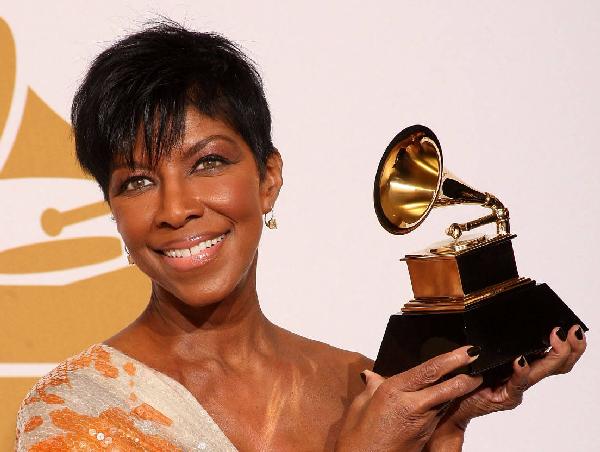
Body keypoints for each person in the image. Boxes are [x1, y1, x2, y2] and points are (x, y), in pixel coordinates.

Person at [15, 22, 586, 451]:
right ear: (113, 210)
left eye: (207, 163)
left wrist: (443, 428)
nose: (176, 208)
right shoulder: (75, 410)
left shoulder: (357, 383)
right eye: (137, 181)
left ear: (268, 179)